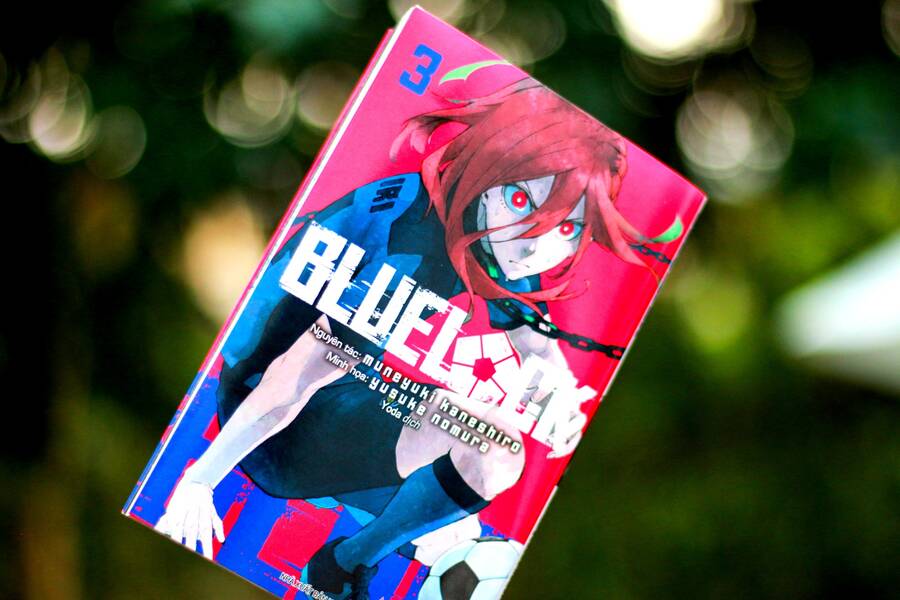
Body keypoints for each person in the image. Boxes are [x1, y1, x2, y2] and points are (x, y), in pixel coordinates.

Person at [155, 75, 669, 598]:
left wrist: (561, 398)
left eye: (566, 227)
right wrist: (200, 480)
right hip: (270, 430)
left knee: (486, 470)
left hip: (348, 406)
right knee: (483, 455)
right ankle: (365, 543)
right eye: (520, 200)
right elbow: (292, 378)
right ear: (486, 171)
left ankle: (345, 562)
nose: (535, 243)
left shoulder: (490, 235)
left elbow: (532, 339)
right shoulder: (409, 245)